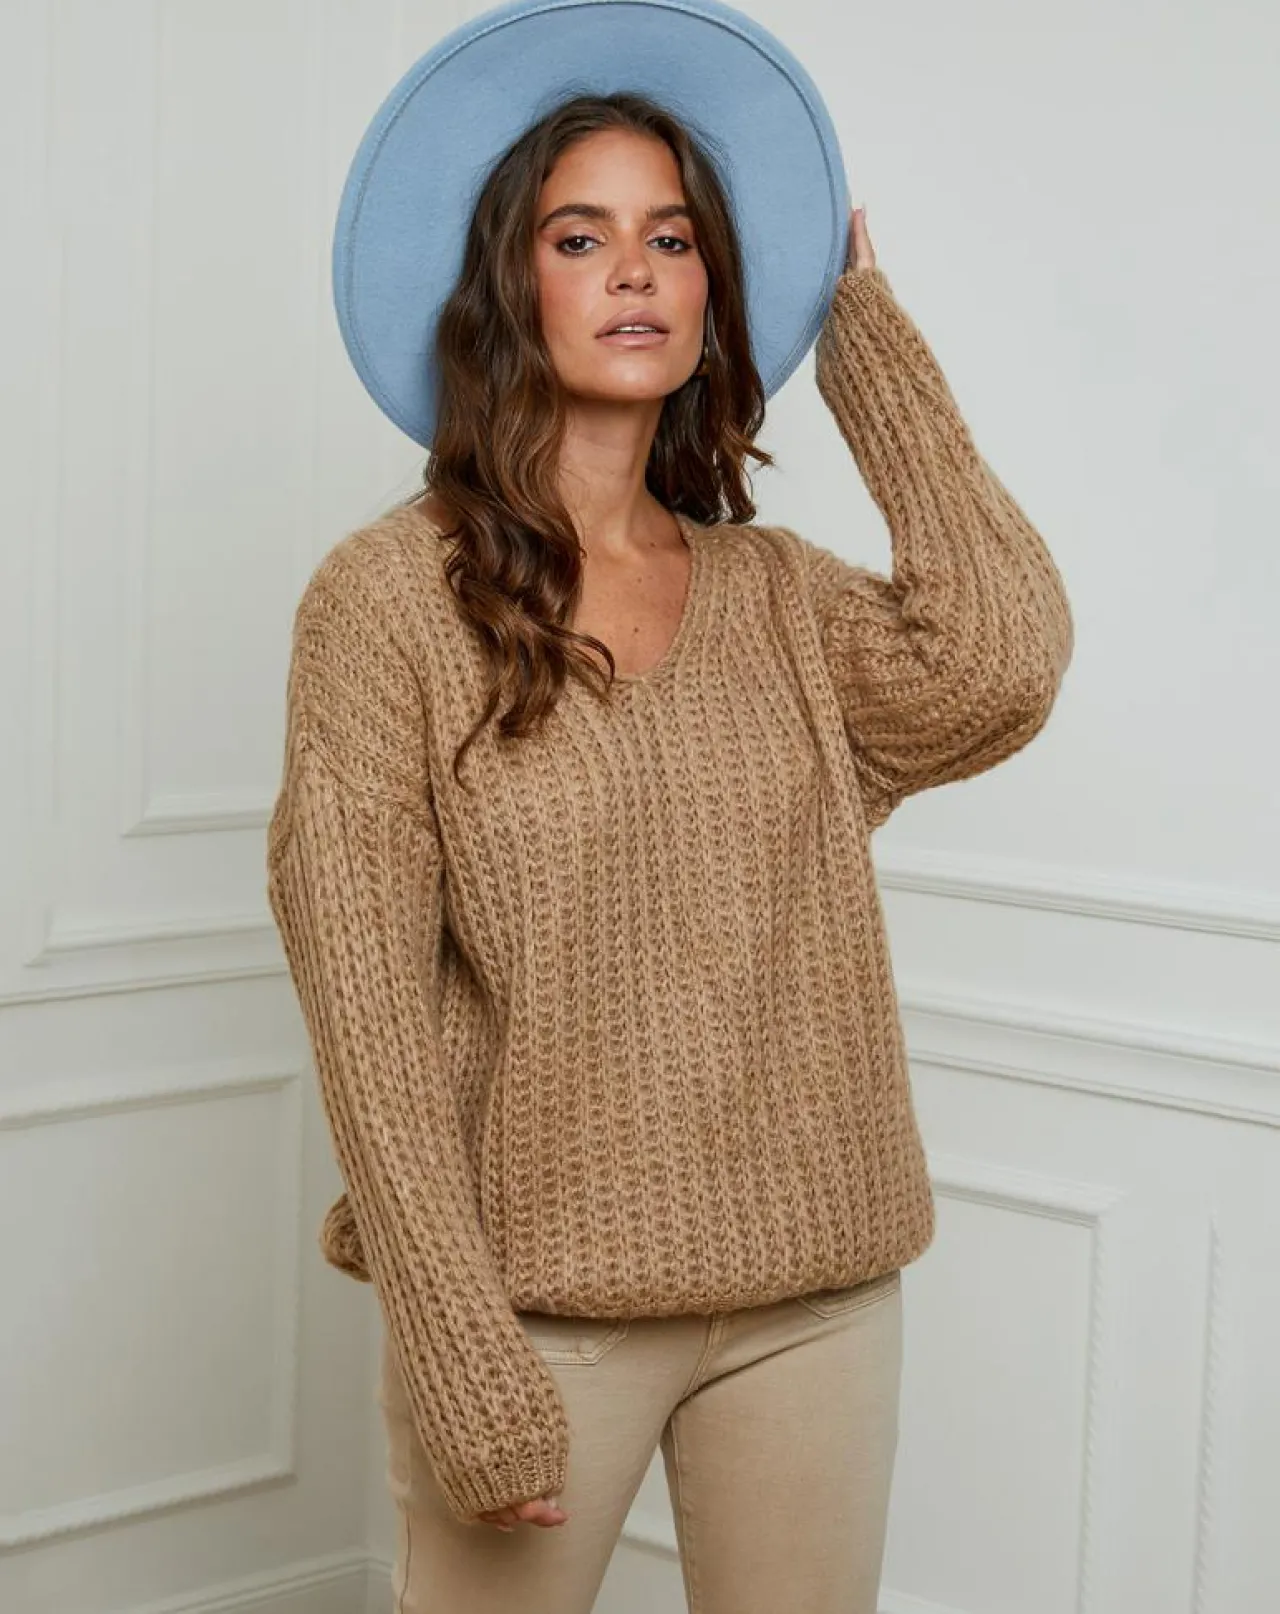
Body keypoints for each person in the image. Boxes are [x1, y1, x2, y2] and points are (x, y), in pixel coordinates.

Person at [265, 11, 1073, 1611]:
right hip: (541, 1313)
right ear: (510, 285)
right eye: (581, 237)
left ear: (714, 294)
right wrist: (458, 1343)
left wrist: (863, 339)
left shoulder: (780, 595)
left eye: (675, 237)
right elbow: (366, 1009)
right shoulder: (387, 602)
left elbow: (1002, 659)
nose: (634, 270)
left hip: (817, 1293)